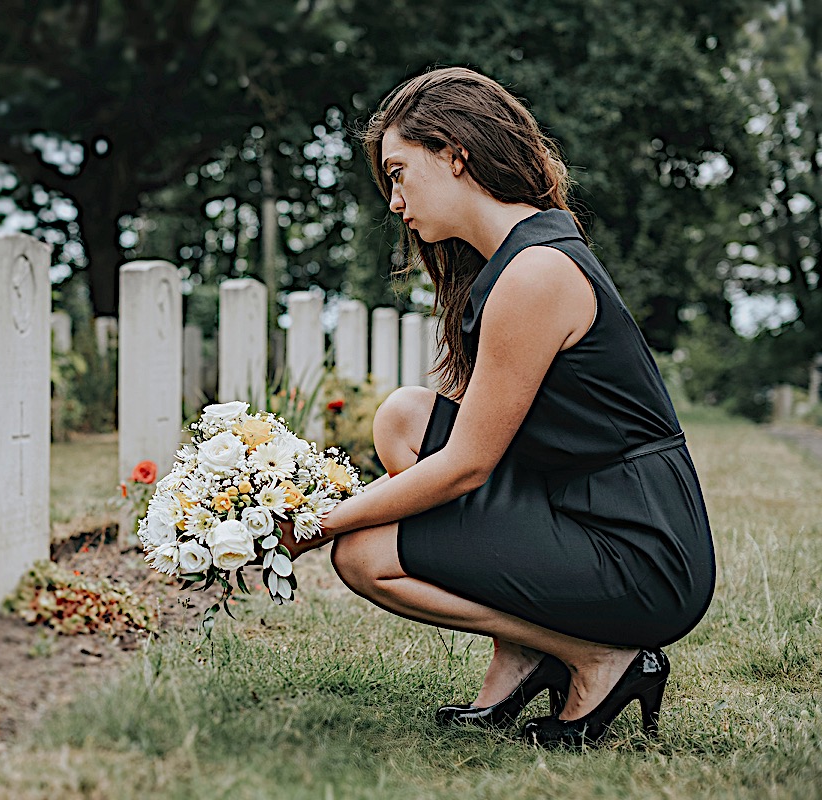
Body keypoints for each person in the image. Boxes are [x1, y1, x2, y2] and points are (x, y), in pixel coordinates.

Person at [279, 67, 715, 748]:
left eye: (399, 173)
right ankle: (524, 654)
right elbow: (463, 440)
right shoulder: (513, 260)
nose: (395, 202)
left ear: (456, 154)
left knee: (361, 553)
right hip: (575, 504)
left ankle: (597, 656)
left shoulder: (535, 273)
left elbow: (465, 468)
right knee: (402, 416)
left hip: (640, 551)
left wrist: (321, 522)